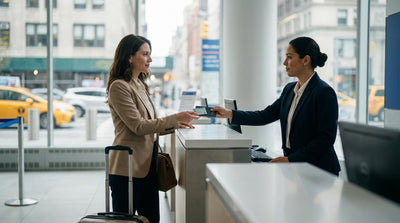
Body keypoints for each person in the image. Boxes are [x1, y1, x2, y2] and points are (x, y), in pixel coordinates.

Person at [212, 36, 341, 176]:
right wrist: (230, 114)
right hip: (295, 168)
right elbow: (264, 115)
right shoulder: (289, 90)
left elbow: (325, 139)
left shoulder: (324, 92)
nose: (285, 63)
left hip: (319, 170)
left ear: (305, 60)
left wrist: (291, 160)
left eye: (289, 57)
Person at [106, 34, 199, 222]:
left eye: (150, 54)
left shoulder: (140, 84)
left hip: (147, 166)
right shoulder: (119, 87)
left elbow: (151, 123)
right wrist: (173, 118)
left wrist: (176, 125)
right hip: (128, 168)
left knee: (152, 219)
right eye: (145, 54)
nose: (150, 59)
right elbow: (138, 126)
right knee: (126, 220)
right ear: (129, 57)